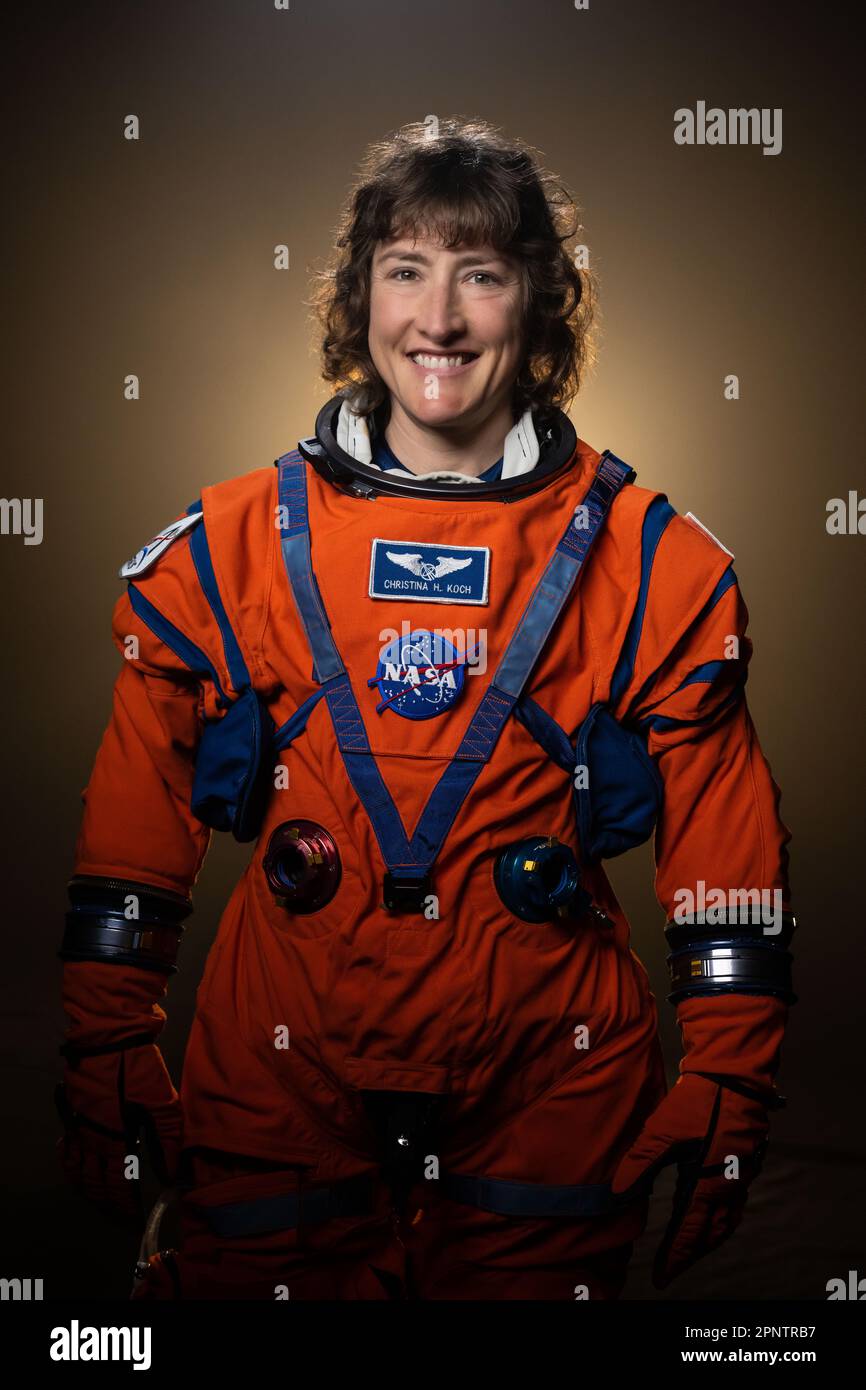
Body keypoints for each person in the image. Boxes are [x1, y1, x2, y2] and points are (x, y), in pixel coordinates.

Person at [55, 117, 796, 1301]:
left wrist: (729, 1074)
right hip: (280, 1067)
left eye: (480, 276)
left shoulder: (655, 564)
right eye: (405, 271)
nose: (437, 320)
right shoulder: (231, 547)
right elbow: (136, 829)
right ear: (359, 298)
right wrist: (105, 1037)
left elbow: (723, 841)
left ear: (537, 305)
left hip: (549, 1076)